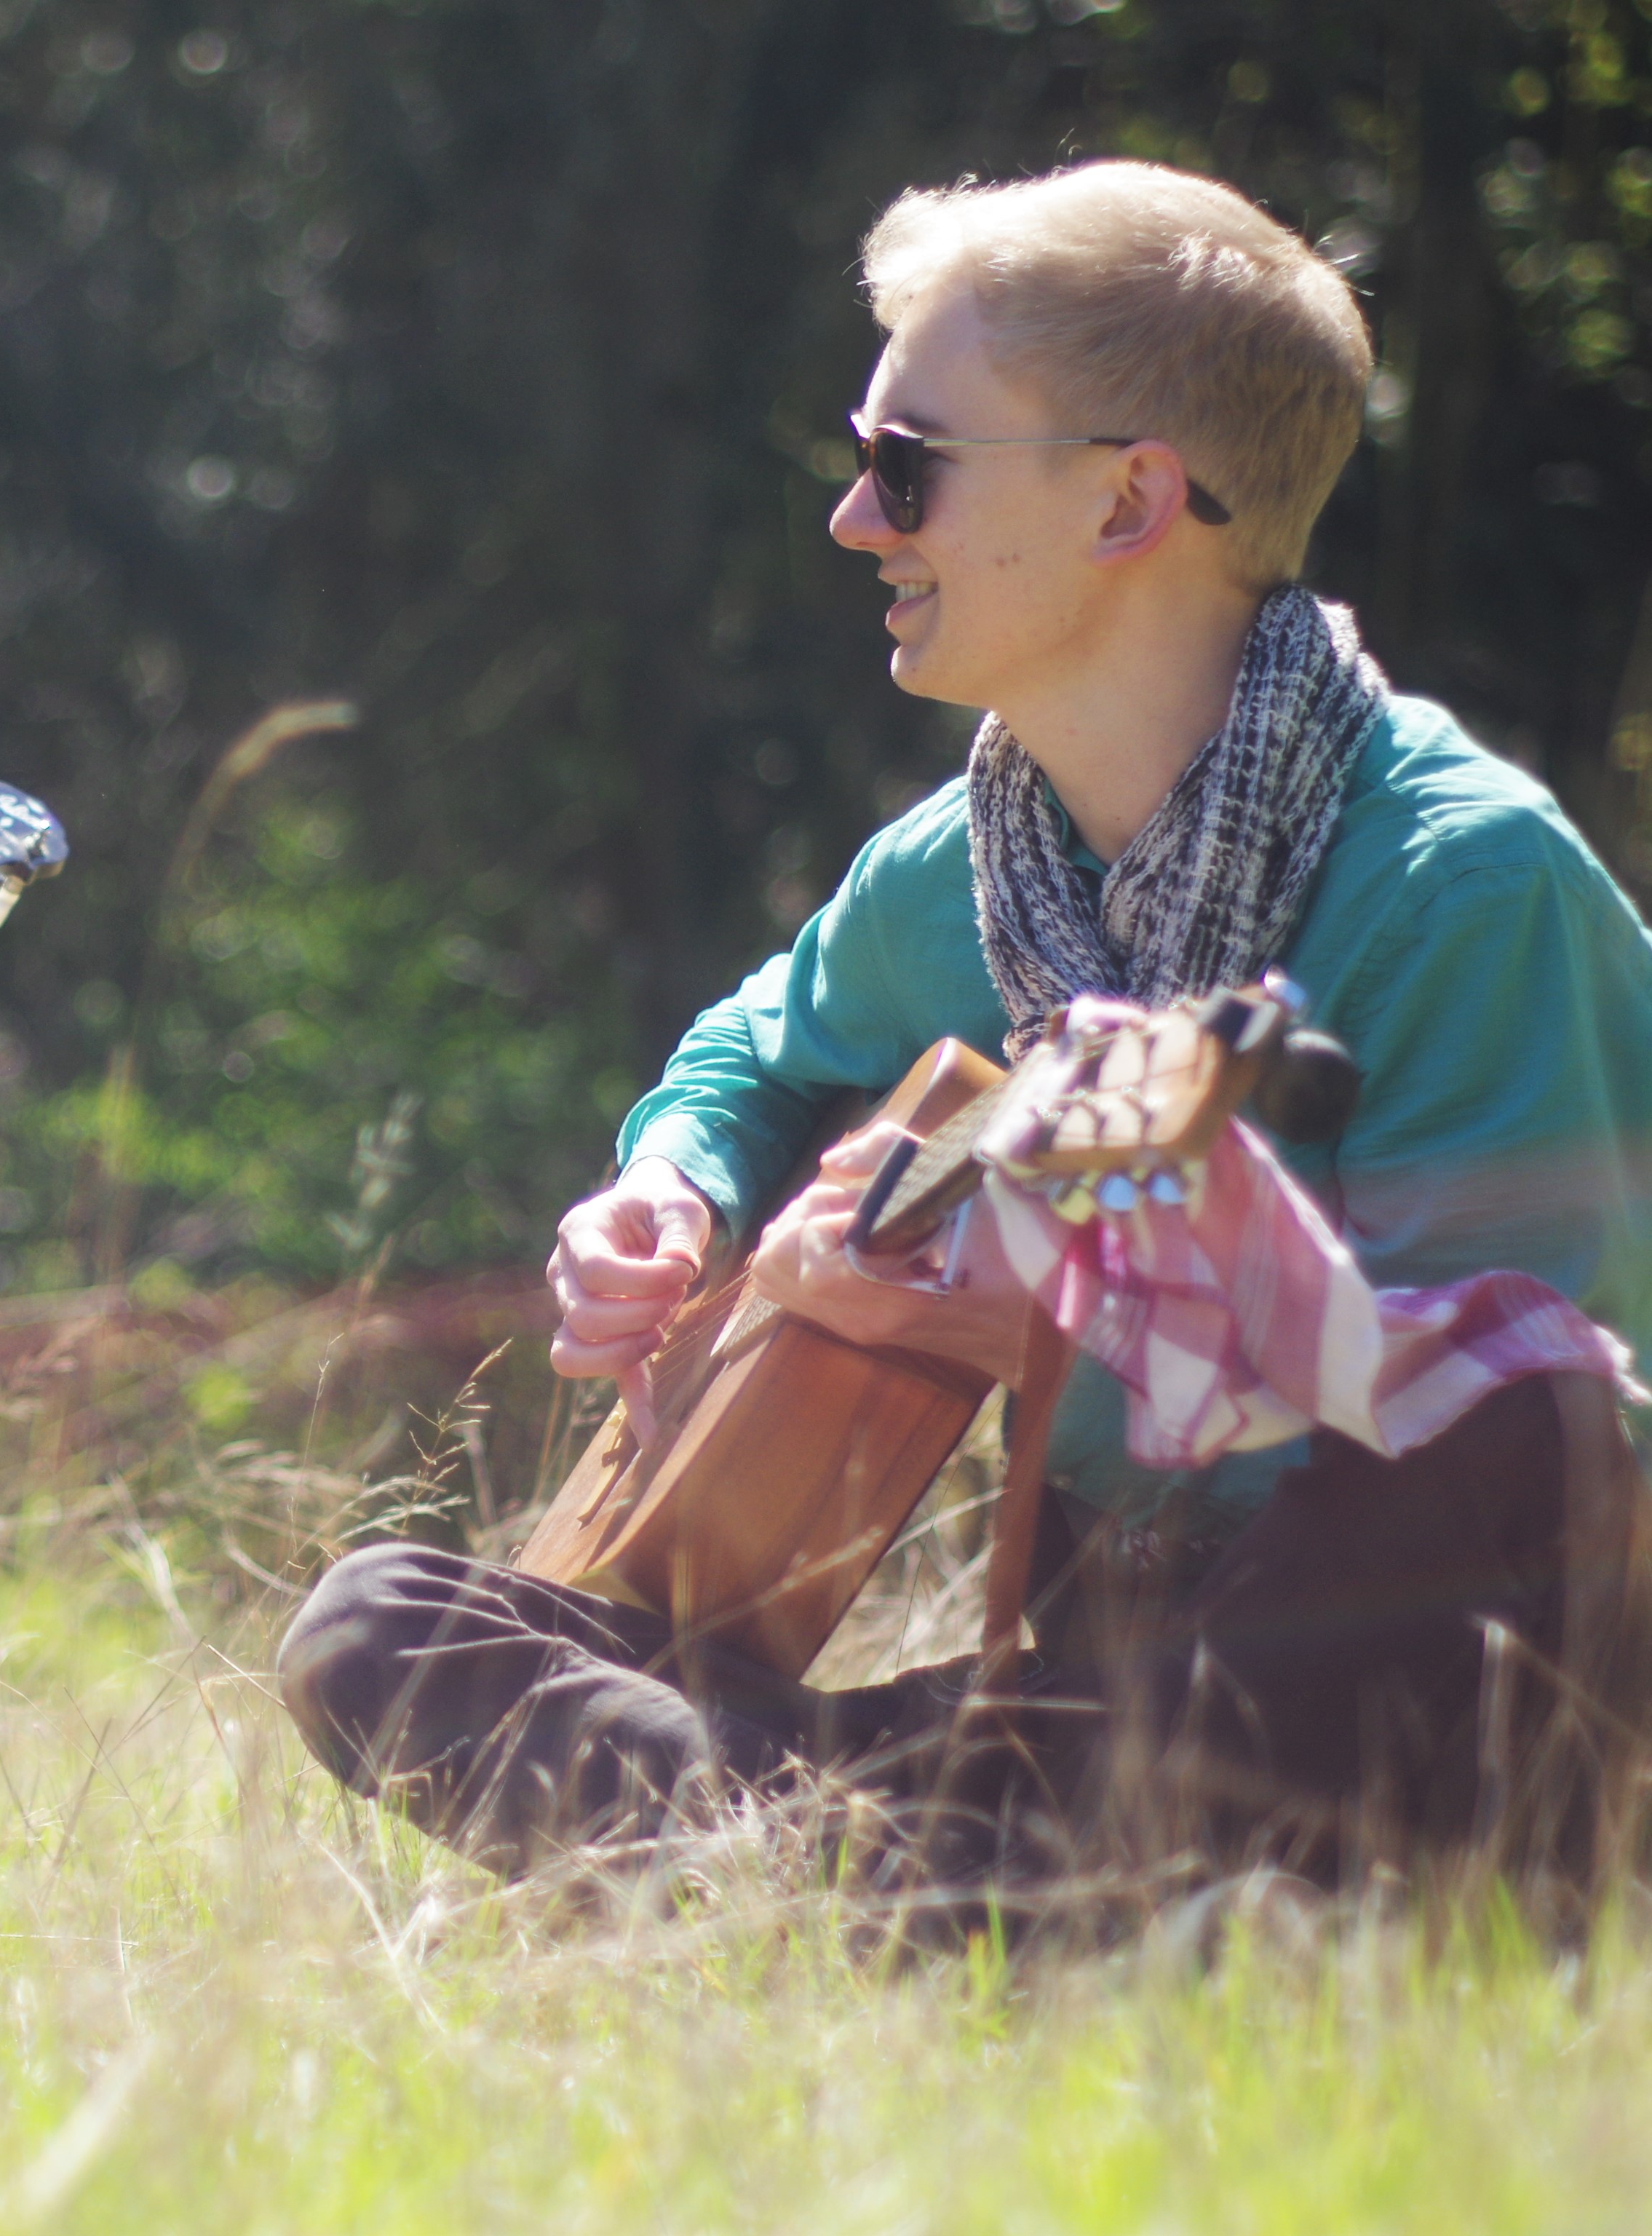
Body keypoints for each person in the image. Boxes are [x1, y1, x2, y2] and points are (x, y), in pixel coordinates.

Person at [277, 163, 1652, 1890]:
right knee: (372, 1625)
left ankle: (847, 1858)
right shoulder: (967, 867)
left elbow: (1535, 1437)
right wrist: (677, 1196)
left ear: (1132, 502)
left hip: (1426, 1673)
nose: (859, 520)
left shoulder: (1468, 883)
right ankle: (910, 1864)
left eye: (905, 464)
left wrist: (1108, 1300)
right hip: (1106, 1682)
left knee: (1488, 1477)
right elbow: (751, 1058)